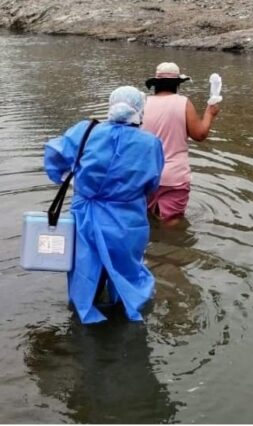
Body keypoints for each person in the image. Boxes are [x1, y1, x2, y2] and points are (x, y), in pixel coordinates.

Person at [43, 86, 164, 324]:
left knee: (85, 265)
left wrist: (67, 177)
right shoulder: (150, 143)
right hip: (127, 217)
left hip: (86, 212)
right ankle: (125, 309)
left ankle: (84, 310)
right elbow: (152, 183)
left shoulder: (86, 131)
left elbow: (55, 154)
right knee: (126, 266)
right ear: (140, 110)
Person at [143, 62, 221, 226]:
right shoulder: (183, 102)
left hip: (146, 174)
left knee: (147, 218)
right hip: (174, 177)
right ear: (177, 85)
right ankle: (174, 243)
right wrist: (209, 113)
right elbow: (199, 135)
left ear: (155, 84)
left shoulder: (142, 103)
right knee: (171, 223)